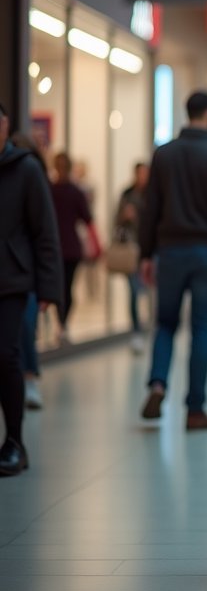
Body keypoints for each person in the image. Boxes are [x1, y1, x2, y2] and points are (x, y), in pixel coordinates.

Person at [138, 91, 207, 430]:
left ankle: (157, 383)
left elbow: (150, 208)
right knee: (200, 330)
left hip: (168, 252)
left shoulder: (163, 156)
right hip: (204, 253)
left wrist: (145, 253)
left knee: (165, 324)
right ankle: (195, 409)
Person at [0, 102, 62, 477]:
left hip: (11, 281)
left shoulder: (25, 170)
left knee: (6, 357)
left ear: (5, 124)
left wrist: (49, 289)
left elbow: (45, 232)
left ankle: (14, 442)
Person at [10, 133, 47, 409]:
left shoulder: (36, 183)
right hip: (13, 271)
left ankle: (30, 377)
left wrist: (49, 285)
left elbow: (46, 238)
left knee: (25, 326)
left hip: (28, 273)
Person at [49, 151, 100, 343]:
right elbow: (88, 219)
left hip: (58, 248)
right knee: (66, 288)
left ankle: (61, 323)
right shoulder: (74, 192)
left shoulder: (51, 190)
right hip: (68, 247)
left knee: (61, 288)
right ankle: (62, 324)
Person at [114, 162, 150, 354]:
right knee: (134, 292)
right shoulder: (127, 194)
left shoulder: (153, 195)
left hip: (148, 251)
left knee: (149, 292)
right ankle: (136, 331)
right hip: (130, 251)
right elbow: (116, 220)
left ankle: (150, 328)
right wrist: (124, 216)